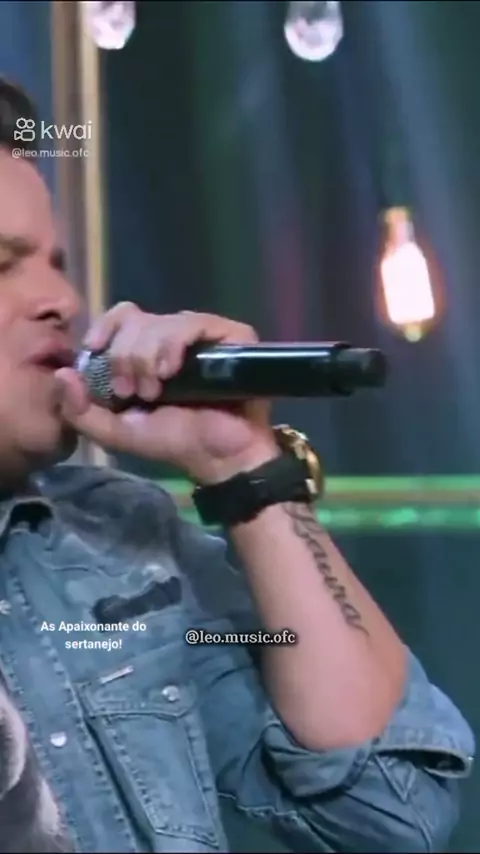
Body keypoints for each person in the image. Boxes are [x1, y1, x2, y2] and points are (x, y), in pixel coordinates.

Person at [0, 76, 474, 854]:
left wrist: (243, 465)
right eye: (2, 265)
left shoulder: (118, 552)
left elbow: (394, 810)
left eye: (55, 263)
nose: (60, 299)